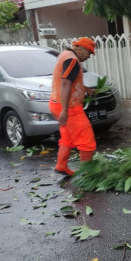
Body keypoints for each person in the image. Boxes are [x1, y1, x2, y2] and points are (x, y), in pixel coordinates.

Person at [49, 37, 97, 175]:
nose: (88, 57)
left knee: (67, 138)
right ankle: (87, 175)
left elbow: (70, 80)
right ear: (81, 49)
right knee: (87, 140)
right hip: (69, 108)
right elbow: (65, 84)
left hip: (56, 103)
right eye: (89, 53)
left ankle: (61, 166)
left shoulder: (65, 55)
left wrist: (86, 89)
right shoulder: (72, 60)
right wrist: (65, 110)